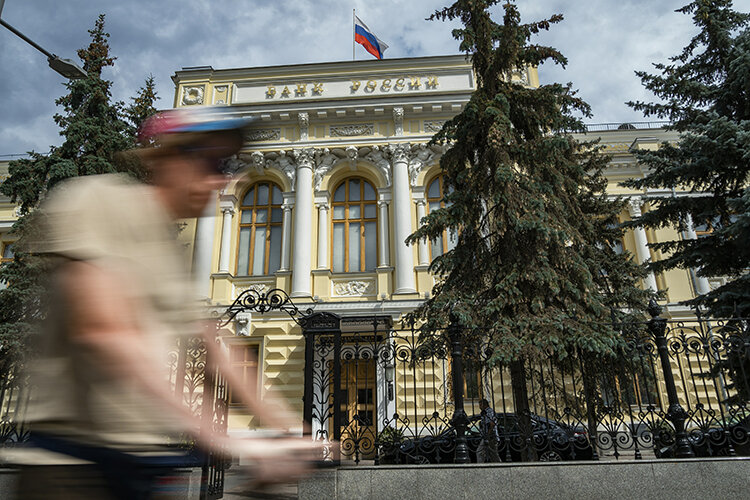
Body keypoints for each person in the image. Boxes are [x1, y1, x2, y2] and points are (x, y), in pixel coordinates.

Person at [10, 108, 316, 499]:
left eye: (225, 164)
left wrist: (290, 431)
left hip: (142, 464)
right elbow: (103, 332)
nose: (221, 178)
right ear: (168, 159)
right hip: (72, 467)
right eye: (208, 161)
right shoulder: (99, 200)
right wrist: (222, 437)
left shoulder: (170, 252)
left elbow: (218, 351)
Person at [476, 398, 500, 463]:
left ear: (484, 405)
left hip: (490, 436)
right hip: (489, 436)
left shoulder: (488, 411)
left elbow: (492, 424)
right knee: (493, 454)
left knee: (479, 452)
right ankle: (499, 466)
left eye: (480, 405)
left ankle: (480, 467)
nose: (479, 407)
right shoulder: (484, 412)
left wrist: (488, 435)